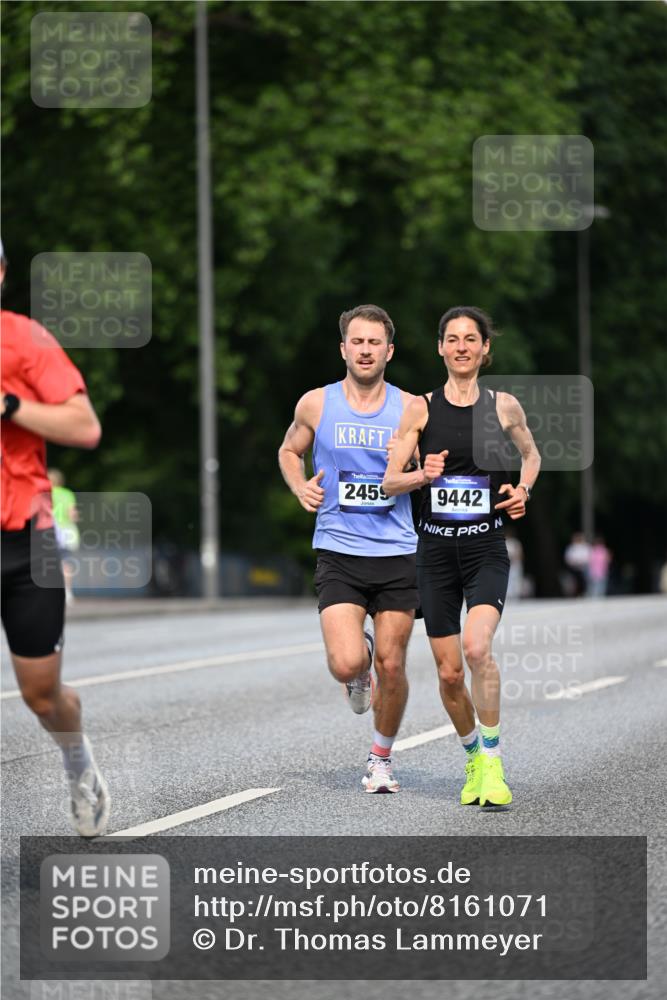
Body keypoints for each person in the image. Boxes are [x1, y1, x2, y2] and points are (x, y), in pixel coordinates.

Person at [383, 306, 541, 809]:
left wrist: (523, 491)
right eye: (452, 339)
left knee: (477, 650)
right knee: (450, 673)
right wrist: (420, 476)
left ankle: (492, 762)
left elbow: (532, 456)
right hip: (433, 554)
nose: (461, 347)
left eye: (471, 339)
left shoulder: (504, 406)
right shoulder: (419, 409)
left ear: (485, 349)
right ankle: (472, 754)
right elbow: (390, 481)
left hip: (485, 549)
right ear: (440, 348)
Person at [278, 304, 419, 793]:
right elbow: (289, 451)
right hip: (339, 548)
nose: (365, 350)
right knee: (346, 664)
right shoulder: (316, 403)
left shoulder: (410, 408)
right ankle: (358, 663)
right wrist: (300, 488)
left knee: (394, 664)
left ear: (389, 352)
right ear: (343, 349)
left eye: (374, 343)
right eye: (356, 342)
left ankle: (380, 759)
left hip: (398, 550)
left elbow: (436, 463)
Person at [1, 240, 110, 837]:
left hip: (25, 543)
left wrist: (10, 404)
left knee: (42, 696)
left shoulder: (25, 340)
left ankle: (78, 765)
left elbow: (84, 426)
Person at [48, 468, 80, 605]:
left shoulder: (44, 493)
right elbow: (72, 514)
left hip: (50, 531)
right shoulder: (67, 494)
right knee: (65, 563)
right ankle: (67, 592)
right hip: (66, 531)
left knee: (48, 563)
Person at [564, 532, 590, 597]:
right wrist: (574, 562)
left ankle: (583, 593)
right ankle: (575, 594)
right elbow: (568, 558)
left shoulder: (585, 546)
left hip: (584, 568)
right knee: (574, 582)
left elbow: (588, 557)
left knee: (584, 582)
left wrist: (582, 562)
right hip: (574, 568)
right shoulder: (571, 548)